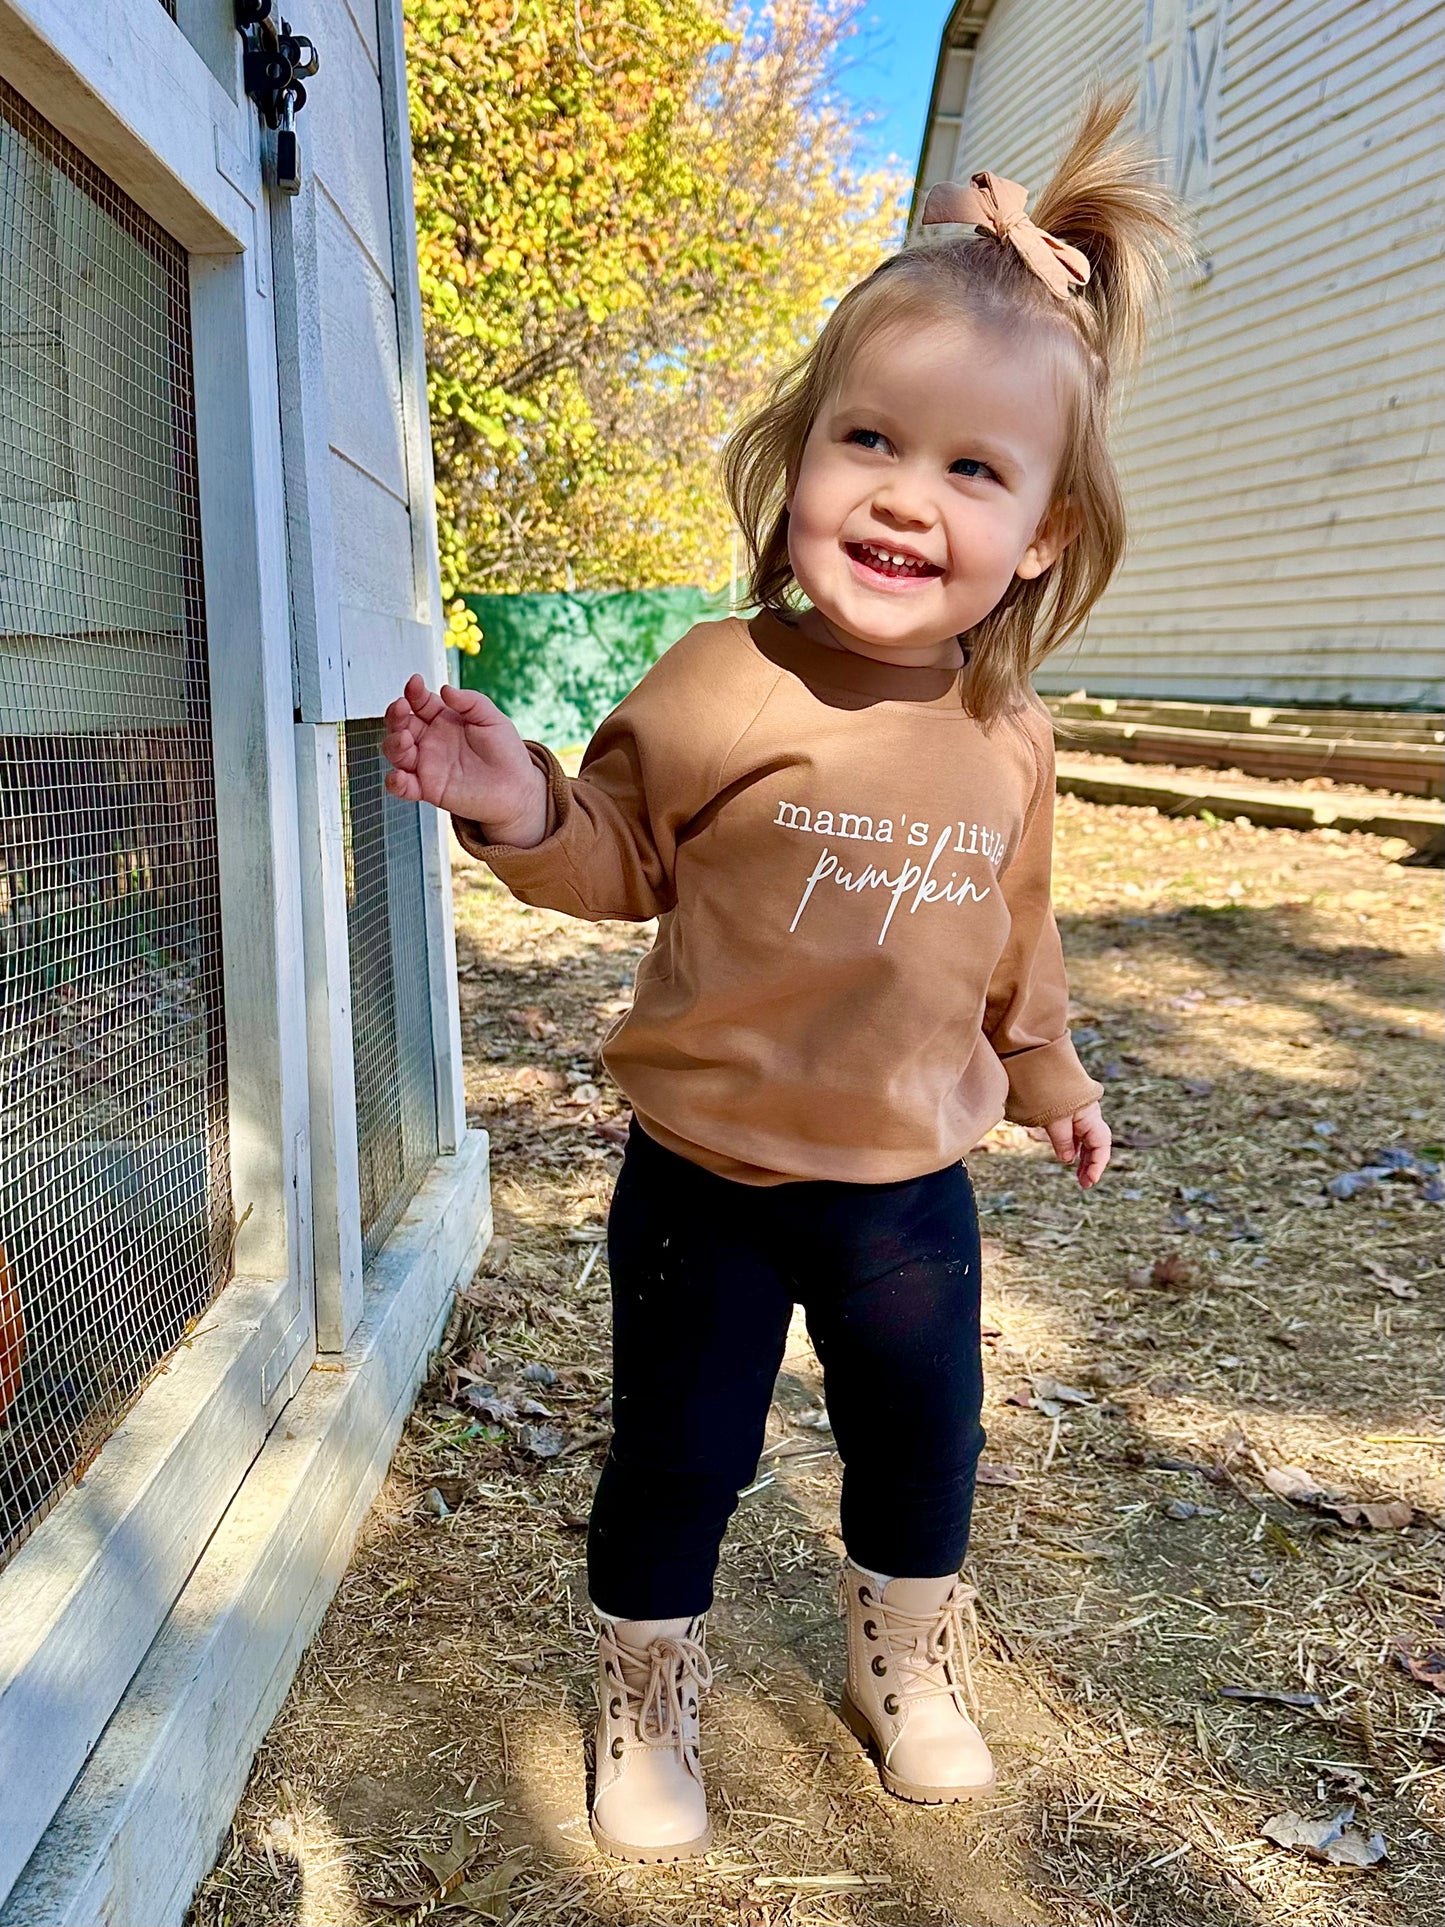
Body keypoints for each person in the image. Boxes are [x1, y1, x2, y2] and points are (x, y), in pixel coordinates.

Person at [382, 88, 1189, 1863]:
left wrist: (1045, 1068)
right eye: (871, 443)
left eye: (974, 472)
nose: (909, 500)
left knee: (923, 1443)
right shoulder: (716, 680)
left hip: (906, 1190)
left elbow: (1013, 922)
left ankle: (906, 1658)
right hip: (710, 1183)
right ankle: (646, 1693)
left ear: (1041, 532)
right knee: (681, 1453)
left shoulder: (1008, 730)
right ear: (799, 455)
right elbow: (617, 852)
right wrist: (515, 800)